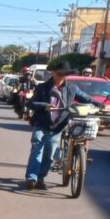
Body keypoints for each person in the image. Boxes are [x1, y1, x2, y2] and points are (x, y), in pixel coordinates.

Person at [22, 59, 92, 190]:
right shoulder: (42, 87)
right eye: (58, 74)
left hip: (58, 127)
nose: (60, 77)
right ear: (53, 73)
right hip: (41, 124)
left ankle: (40, 178)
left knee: (49, 156)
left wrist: (99, 104)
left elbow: (86, 98)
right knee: (36, 150)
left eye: (63, 74)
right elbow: (31, 103)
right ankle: (31, 178)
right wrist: (45, 106)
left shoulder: (72, 88)